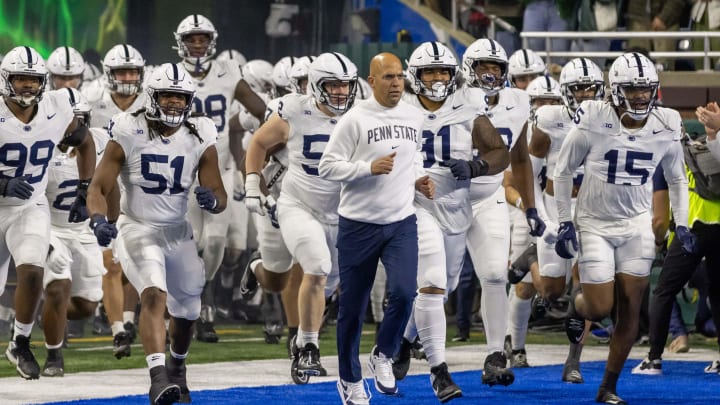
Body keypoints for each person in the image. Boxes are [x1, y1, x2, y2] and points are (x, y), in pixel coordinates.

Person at [554, 52, 696, 404]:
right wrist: (563, 221)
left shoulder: (667, 122)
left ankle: (608, 387)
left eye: (645, 89)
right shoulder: (592, 117)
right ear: (615, 91)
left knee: (632, 307)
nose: (639, 97)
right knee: (600, 306)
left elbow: (677, 179)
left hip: (636, 224)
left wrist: (683, 223)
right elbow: (562, 171)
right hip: (594, 223)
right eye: (631, 89)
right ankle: (579, 306)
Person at [86, 63, 227, 404]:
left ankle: (178, 366)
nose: (176, 103)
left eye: (181, 97)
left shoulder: (200, 133)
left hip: (178, 232)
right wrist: (97, 219)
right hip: (138, 228)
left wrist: (213, 200)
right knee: (153, 293)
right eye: (168, 95)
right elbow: (98, 186)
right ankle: (158, 377)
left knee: (189, 310)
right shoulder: (128, 130)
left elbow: (219, 194)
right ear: (153, 97)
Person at [390, 41, 508, 403]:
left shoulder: (467, 104)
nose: (439, 77)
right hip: (416, 205)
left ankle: (403, 341)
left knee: (447, 283)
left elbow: (500, 151)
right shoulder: (398, 108)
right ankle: (439, 371)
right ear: (417, 75)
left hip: (456, 206)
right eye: (431, 71)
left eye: (443, 71)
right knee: (434, 282)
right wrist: (409, 178)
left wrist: (476, 166)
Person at [319, 52, 433, 404]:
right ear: (372, 81)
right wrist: (366, 168)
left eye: (399, 77)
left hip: (400, 221)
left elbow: (411, 156)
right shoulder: (354, 119)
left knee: (403, 292)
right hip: (358, 224)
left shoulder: (415, 115)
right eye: (388, 77)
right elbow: (327, 166)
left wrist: (417, 178)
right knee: (352, 309)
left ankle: (384, 354)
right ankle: (350, 380)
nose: (396, 83)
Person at [243, 52, 358, 382]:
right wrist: (253, 182)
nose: (339, 93)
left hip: (339, 212)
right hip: (294, 204)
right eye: (332, 85)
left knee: (326, 282)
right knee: (314, 268)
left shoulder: (361, 114)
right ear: (314, 85)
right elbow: (258, 143)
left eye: (345, 86)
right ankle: (307, 347)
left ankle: (303, 334)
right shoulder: (293, 108)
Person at [1, 45, 96, 380]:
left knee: (32, 270)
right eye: (20, 78)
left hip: (29, 205)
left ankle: (20, 341)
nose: (27, 85)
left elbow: (85, 142)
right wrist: (2, 183)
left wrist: (84, 190)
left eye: (33, 78)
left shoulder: (56, 106)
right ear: (6, 79)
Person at [173, 14, 266, 342]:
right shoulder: (168, 75)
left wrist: (275, 126)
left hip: (221, 169)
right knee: (189, 242)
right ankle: (194, 304)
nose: (197, 44)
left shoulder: (228, 73)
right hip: (181, 171)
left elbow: (260, 108)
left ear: (211, 41)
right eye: (192, 38)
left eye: (202, 38)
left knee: (214, 243)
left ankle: (205, 295)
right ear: (181, 42)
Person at [461, 37, 545, 387]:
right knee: (437, 281)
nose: (490, 73)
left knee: (495, 274)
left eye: (496, 67)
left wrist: (530, 206)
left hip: (489, 195)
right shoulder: (452, 98)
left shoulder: (518, 101)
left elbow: (521, 157)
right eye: (483, 66)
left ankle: (496, 354)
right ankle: (405, 341)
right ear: (469, 69)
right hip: (445, 198)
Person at [527, 57, 606, 382]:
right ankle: (529, 258)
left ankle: (573, 360)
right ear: (566, 91)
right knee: (552, 290)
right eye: (579, 88)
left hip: (591, 209)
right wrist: (537, 214)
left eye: (591, 88)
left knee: (584, 283)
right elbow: (528, 171)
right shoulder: (549, 119)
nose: (586, 93)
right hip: (554, 204)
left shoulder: (610, 119)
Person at [631, 103, 720, 376]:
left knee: (664, 291)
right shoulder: (707, 146)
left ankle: (654, 359)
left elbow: (659, 217)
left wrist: (657, 241)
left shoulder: (668, 156)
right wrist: (715, 134)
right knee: (718, 293)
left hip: (692, 226)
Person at [39, 88, 107, 377]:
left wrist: (108, 219)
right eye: (69, 120)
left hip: (82, 230)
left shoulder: (100, 142)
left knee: (86, 306)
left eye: (79, 120)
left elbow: (109, 186)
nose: (73, 128)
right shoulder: (39, 146)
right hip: (48, 226)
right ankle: (54, 356)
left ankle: (41, 310)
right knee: (59, 283)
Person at [87, 43, 148, 355]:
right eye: (121, 71)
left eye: (131, 71)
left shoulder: (153, 99)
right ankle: (119, 329)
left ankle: (126, 318)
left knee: (134, 259)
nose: (126, 77)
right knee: (110, 262)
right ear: (107, 73)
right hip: (104, 185)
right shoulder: (91, 99)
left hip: (141, 187)